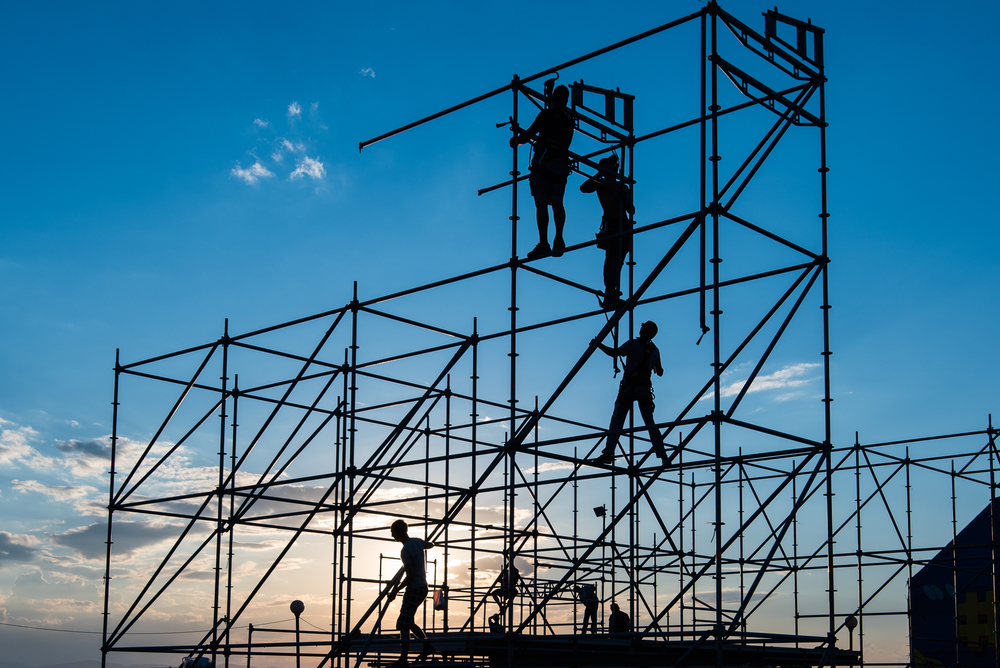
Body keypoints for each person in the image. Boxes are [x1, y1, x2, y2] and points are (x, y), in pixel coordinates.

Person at [510, 84, 574, 259]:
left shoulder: (547, 115)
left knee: (541, 203)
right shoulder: (569, 119)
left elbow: (528, 135)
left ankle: (544, 242)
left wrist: (515, 141)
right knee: (557, 201)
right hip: (561, 164)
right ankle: (559, 237)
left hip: (543, 162)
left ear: (553, 99)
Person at [591, 321, 667, 465]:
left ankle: (608, 453)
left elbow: (614, 353)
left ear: (643, 330)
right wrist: (650, 364)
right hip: (644, 389)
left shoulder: (633, 344)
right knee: (650, 423)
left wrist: (597, 344)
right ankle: (663, 455)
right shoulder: (655, 350)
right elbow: (660, 372)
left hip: (629, 388)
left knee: (617, 420)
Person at [580, 154, 634, 311]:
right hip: (611, 223)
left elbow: (632, 210)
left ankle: (612, 291)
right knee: (611, 259)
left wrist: (625, 197)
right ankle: (610, 292)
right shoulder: (602, 183)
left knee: (618, 261)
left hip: (624, 225)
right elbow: (584, 188)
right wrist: (600, 173)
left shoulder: (622, 186)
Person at [389, 520, 434, 665]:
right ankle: (426, 645)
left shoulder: (405, 550)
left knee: (403, 623)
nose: (392, 536)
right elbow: (430, 545)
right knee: (408, 621)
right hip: (422, 588)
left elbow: (410, 576)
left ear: (400, 532)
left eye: (393, 533)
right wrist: (423, 546)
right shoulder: (416, 542)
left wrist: (396, 590)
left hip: (414, 588)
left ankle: (403, 658)